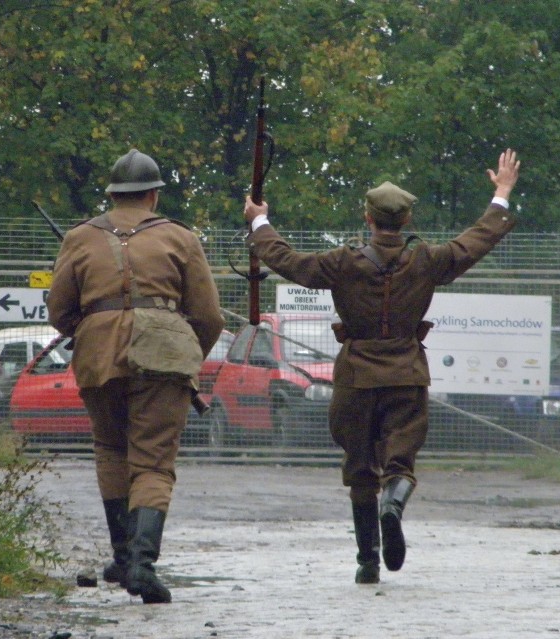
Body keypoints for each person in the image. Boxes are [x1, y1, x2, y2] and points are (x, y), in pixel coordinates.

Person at [243, 149, 520, 584]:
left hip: (356, 376)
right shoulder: (428, 259)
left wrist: (259, 221)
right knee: (399, 460)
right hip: (407, 374)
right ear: (406, 221)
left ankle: (367, 561)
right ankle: (395, 501)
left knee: (359, 468)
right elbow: (477, 240)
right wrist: (501, 192)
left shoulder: (343, 262)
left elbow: (289, 262)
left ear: (368, 219)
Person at [47, 148, 225, 603]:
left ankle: (123, 557)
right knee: (152, 462)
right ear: (153, 195)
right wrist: (187, 356)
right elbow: (208, 316)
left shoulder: (79, 237)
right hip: (166, 354)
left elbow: (59, 311)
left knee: (111, 450)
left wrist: (93, 333)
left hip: (97, 355)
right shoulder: (180, 238)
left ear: (112, 193)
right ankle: (143, 566)